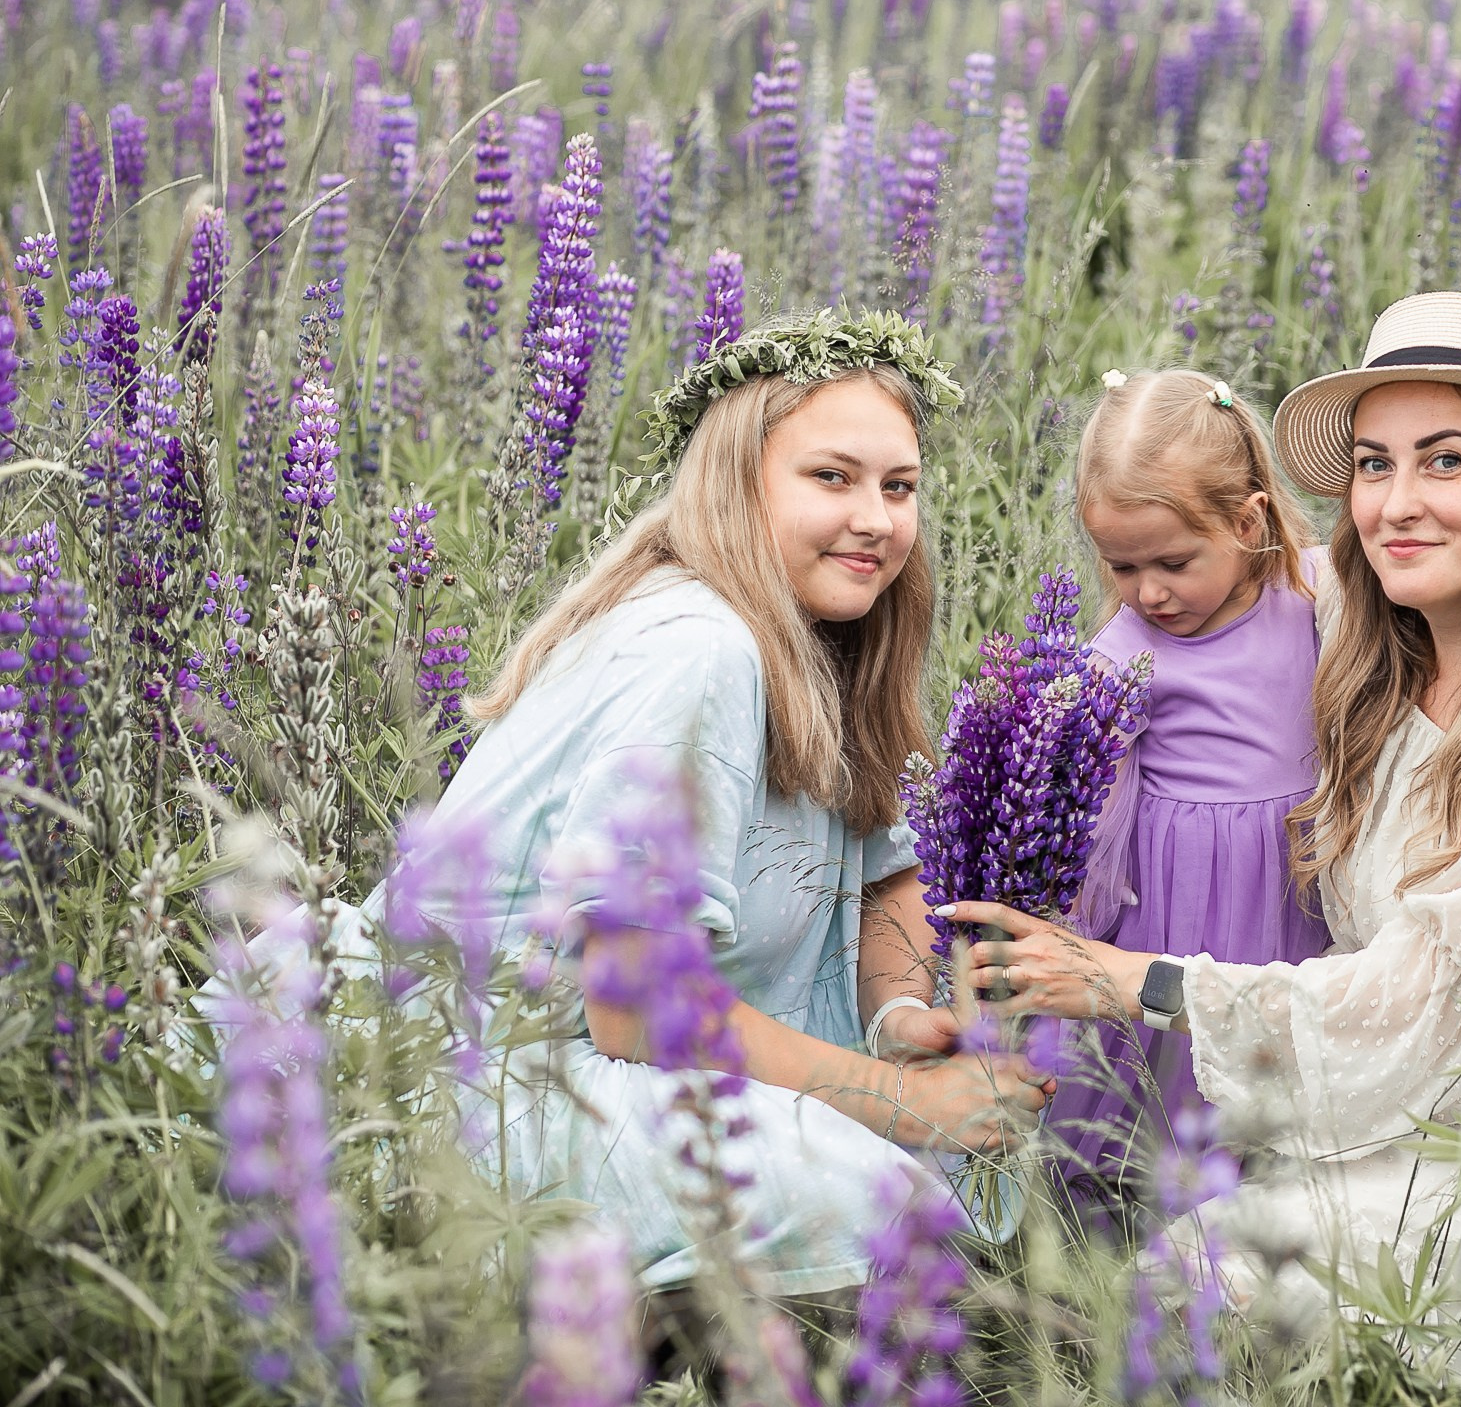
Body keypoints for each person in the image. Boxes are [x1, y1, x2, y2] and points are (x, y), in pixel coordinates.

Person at [945, 292, 1461, 1272]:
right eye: (1373, 464)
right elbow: (1217, 583)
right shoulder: (1359, 626)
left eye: (1446, 459)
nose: (1397, 504)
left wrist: (1132, 979)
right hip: (1371, 1089)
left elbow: (1432, 1009)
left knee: (1194, 1279)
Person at [368, 311, 1051, 1295]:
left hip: (628, 1066)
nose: (876, 518)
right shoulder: (700, 649)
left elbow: (886, 866)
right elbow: (635, 1007)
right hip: (492, 1075)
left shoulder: (826, 635)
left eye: (898, 486)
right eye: (832, 477)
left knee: (965, 1169)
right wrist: (901, 1100)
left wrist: (900, 1011)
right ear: (738, 482)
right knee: (885, 1199)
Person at [1043, 368, 1334, 1222]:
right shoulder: (1120, 653)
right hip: (1180, 909)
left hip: (1292, 890)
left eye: (1173, 562)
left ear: (1247, 522)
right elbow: (1088, 812)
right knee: (1170, 1100)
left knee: (1285, 1087)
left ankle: (1275, 1229)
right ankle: (1145, 1243)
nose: (1149, 592)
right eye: (1122, 566)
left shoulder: (1318, 595)